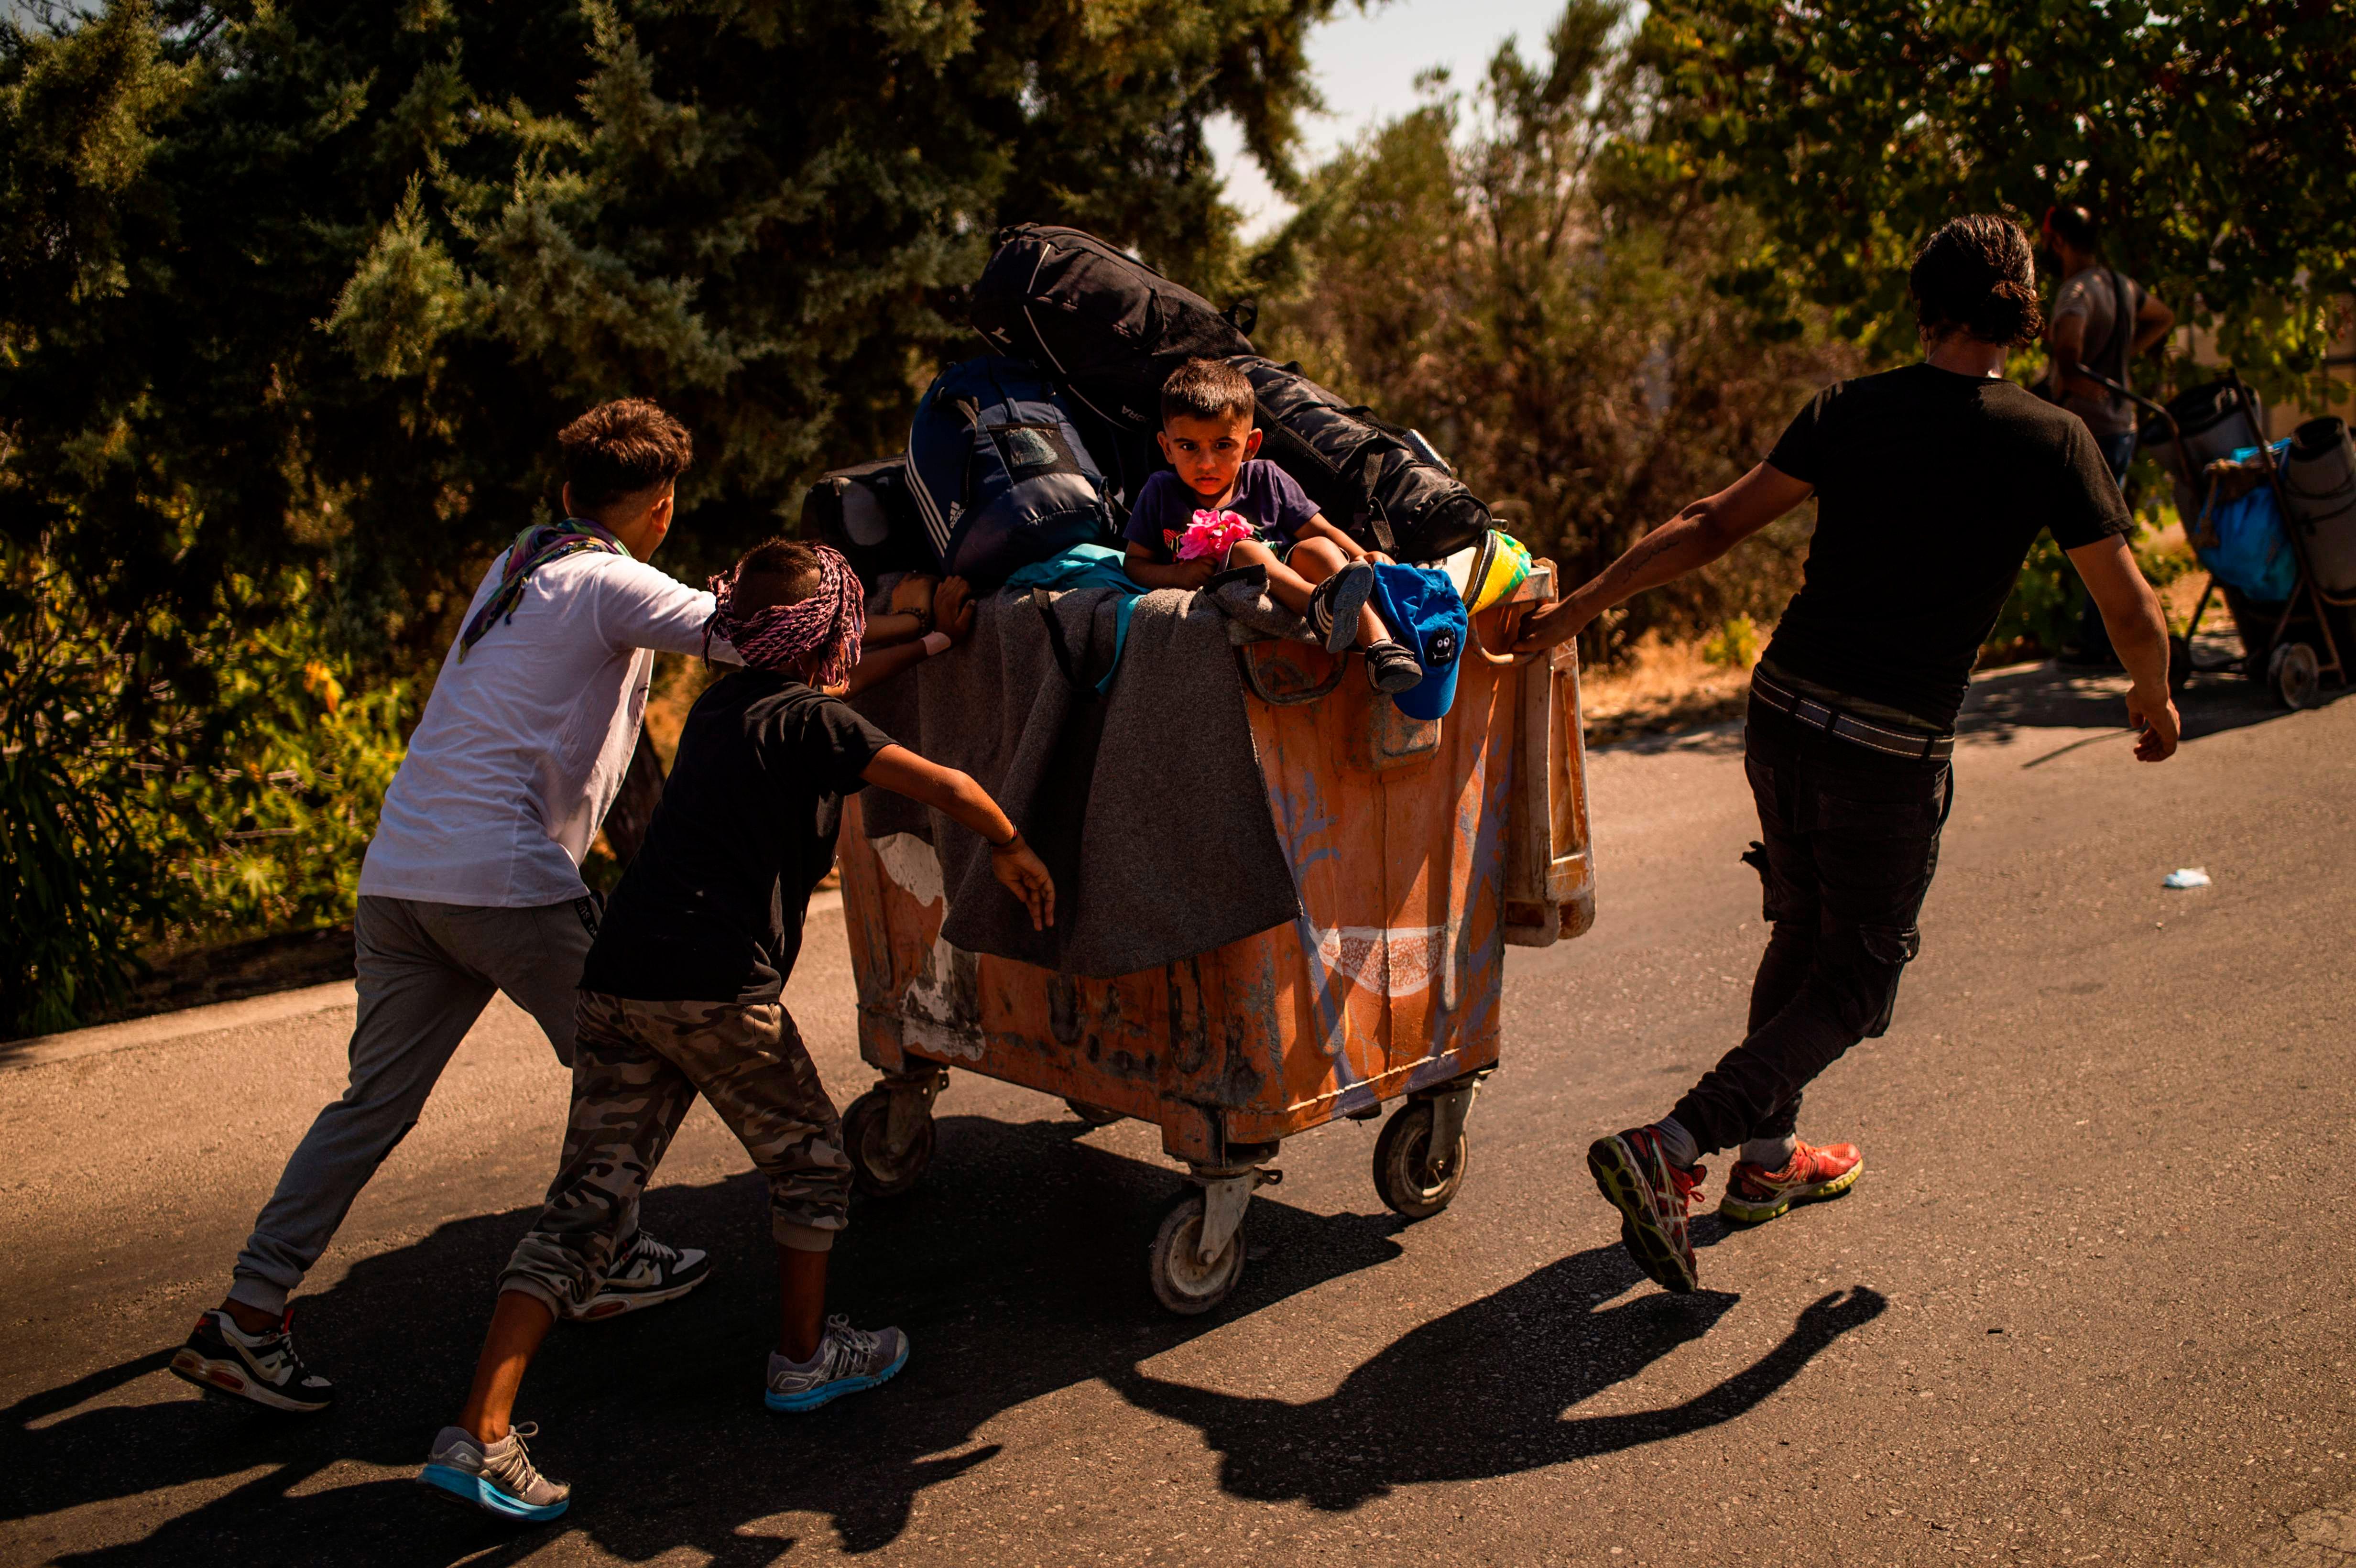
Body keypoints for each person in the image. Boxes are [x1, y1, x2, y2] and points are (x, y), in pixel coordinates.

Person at [1514, 214, 2181, 1295]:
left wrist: (1580, 607)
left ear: (1925, 306)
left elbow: (1710, 523)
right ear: (2019, 310)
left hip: (1781, 714)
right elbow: (2135, 612)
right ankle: (1675, 1144)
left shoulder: (1848, 409)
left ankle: (1768, 1164)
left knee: (1803, 927)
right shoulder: (2052, 440)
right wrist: (2153, 703)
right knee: (1859, 980)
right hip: (1885, 745)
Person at [416, 540, 1054, 1523]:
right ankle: (803, 1359)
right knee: (811, 1166)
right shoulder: (813, 722)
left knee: (586, 1206)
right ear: (828, 635)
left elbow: (836, 698)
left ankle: (481, 1429)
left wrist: (925, 640)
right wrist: (1012, 848)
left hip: (620, 978)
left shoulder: (726, 708)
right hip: (717, 989)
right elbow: (947, 786)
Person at [172, 400, 737, 1414]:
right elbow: (752, 634)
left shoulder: (520, 564)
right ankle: (598, 1257)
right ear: (658, 510)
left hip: (402, 873)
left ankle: (245, 1316)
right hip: (504, 879)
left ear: (566, 494)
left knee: (372, 1105)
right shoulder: (611, 574)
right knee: (640, 1057)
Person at [1122, 359, 1424, 694]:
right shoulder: (1160, 492)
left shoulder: (1266, 478)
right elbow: (1134, 563)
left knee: (1322, 550)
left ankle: (1382, 648)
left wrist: (1363, 554)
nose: (1205, 463)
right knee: (1245, 548)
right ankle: (1317, 606)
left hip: (1285, 582)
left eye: (1223, 446)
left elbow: (1320, 530)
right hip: (1239, 594)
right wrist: (1175, 576)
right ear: (1167, 447)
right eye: (1188, 447)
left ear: (1250, 445)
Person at [2040, 203, 2175, 664]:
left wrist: (2080, 379)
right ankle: (2096, 633)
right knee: (2106, 533)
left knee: (2091, 538)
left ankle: (2099, 640)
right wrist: (2122, 360)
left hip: (2089, 429)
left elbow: (2068, 357)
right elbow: (2164, 316)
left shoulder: (2076, 293)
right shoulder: (2120, 286)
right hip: (2124, 426)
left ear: (2057, 241)